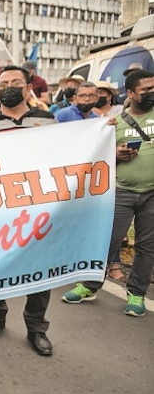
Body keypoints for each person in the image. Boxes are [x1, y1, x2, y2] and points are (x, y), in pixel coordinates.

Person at [0, 65, 58, 356]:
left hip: (38, 207)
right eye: (3, 82)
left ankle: (36, 328)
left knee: (41, 266)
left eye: (16, 82)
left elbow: (65, 153)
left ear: (28, 87)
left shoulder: (47, 121)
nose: (9, 86)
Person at [61, 69, 154, 318]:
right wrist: (116, 155)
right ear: (132, 93)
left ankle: (136, 294)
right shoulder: (115, 123)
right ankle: (90, 285)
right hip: (121, 192)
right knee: (107, 241)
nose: (152, 93)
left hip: (151, 195)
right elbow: (98, 157)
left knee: (146, 247)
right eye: (146, 90)